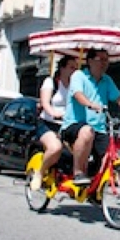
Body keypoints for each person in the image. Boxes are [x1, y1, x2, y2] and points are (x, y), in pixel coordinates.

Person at [62, 49, 120, 186]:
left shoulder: (107, 80)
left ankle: (97, 188)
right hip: (75, 125)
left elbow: (118, 98)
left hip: (99, 128)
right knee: (87, 132)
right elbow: (78, 95)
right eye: (101, 59)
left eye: (106, 60)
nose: (104, 63)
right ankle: (78, 172)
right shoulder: (79, 76)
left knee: (109, 154)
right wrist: (90, 104)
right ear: (90, 61)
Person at [30, 55, 78, 191]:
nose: (74, 71)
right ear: (62, 68)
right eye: (71, 67)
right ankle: (39, 173)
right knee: (55, 147)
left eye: (76, 68)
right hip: (48, 124)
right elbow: (45, 102)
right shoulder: (50, 82)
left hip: (67, 125)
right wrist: (53, 113)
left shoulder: (76, 86)